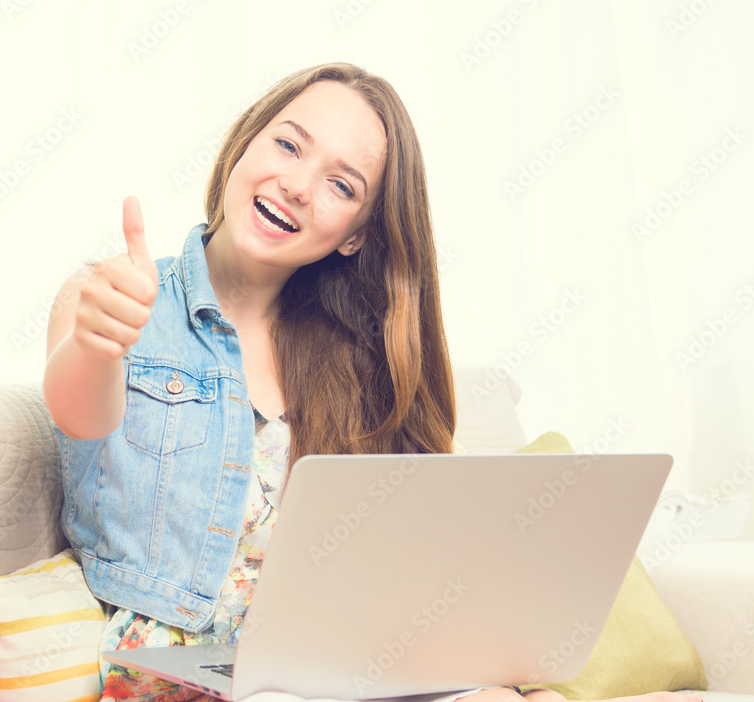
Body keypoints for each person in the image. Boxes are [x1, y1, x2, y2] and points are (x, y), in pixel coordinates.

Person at [43, 62, 704, 702]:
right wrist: (100, 343)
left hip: (343, 670)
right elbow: (80, 415)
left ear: (356, 237)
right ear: (245, 142)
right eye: (288, 144)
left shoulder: (352, 361)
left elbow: (421, 551)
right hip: (186, 674)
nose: (299, 185)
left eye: (342, 185)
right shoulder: (115, 300)